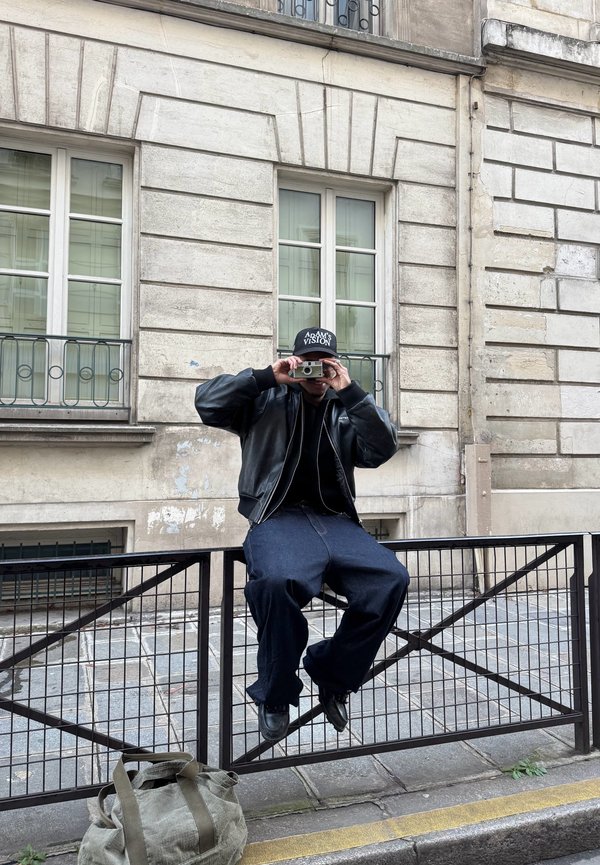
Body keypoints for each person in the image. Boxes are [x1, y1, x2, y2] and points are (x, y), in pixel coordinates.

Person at [195, 327, 409, 743]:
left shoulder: (346, 408)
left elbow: (383, 448)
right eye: (307, 362)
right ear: (294, 361)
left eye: (323, 363)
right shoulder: (264, 400)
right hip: (276, 517)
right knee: (275, 583)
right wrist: (264, 377)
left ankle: (332, 674)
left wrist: (352, 392)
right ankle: (275, 693)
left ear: (334, 364)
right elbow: (207, 402)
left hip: (335, 520)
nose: (315, 372)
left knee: (391, 580)